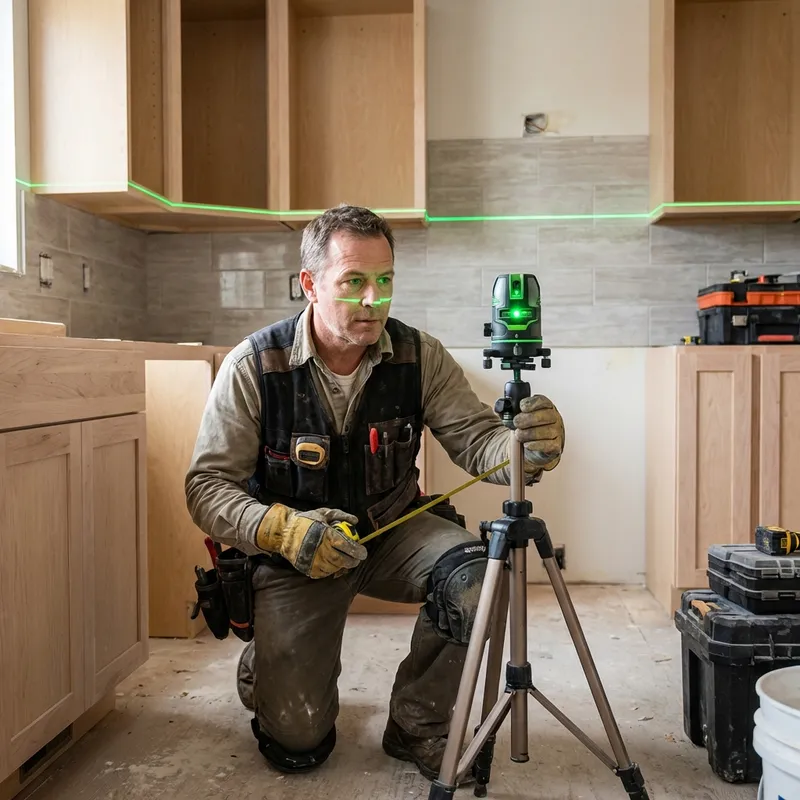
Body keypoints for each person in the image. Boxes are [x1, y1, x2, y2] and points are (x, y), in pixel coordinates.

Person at [184, 204, 565, 782]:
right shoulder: (255, 366)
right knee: (298, 745)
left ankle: (419, 723)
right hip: (296, 550)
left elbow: (477, 442)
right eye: (354, 281)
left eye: (385, 281)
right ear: (310, 284)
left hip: (394, 529)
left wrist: (524, 449)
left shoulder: (418, 355)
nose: (374, 299)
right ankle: (267, 667)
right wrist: (282, 530)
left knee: (480, 578)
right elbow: (206, 487)